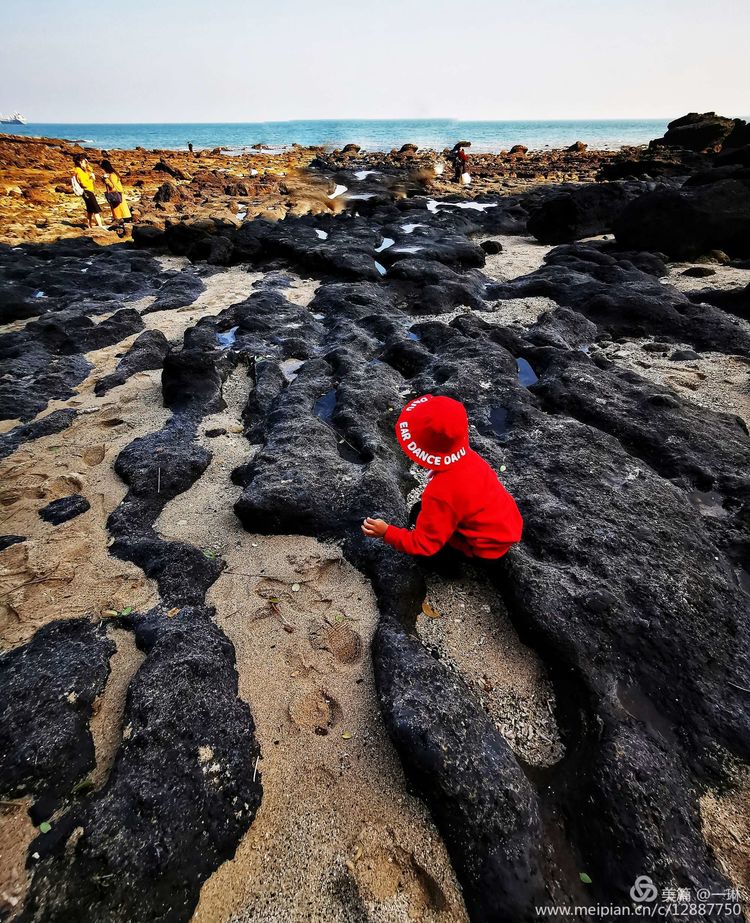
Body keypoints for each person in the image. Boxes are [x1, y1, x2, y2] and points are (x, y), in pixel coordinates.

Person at [361, 395, 523, 563]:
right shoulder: (471, 459)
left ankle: (451, 567)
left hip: (485, 549)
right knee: (419, 509)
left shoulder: (440, 493)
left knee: (424, 548)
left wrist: (386, 532)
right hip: (505, 526)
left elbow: (424, 545)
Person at [72, 155, 104, 229]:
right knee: (96, 209)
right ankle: (100, 226)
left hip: (88, 191)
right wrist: (92, 179)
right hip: (87, 191)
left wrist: (87, 164)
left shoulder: (82, 169)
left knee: (90, 209)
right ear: (80, 162)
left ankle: (89, 225)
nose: (85, 164)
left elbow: (90, 170)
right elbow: (84, 184)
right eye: (84, 162)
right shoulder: (79, 171)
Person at [101, 159, 131, 230]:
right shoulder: (115, 174)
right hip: (119, 193)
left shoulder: (112, 175)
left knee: (118, 210)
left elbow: (112, 186)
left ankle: (118, 223)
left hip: (115, 194)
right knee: (122, 210)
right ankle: (122, 223)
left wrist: (105, 179)